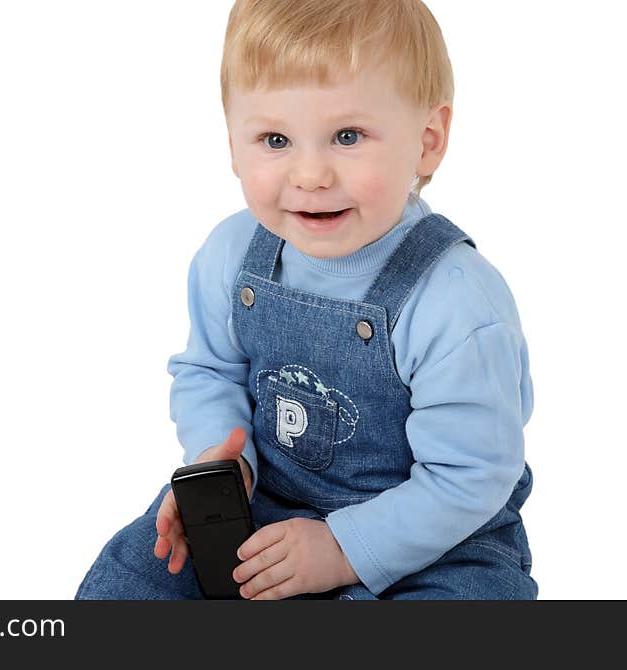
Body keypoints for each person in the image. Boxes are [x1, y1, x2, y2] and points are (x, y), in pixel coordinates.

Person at [75, 0, 537, 600]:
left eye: (347, 136)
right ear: (233, 147)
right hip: (267, 509)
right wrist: (221, 465)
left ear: (427, 142)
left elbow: (470, 479)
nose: (311, 173)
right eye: (275, 139)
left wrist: (343, 548)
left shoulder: (454, 301)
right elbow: (208, 372)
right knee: (139, 571)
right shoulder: (232, 252)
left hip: (438, 541)